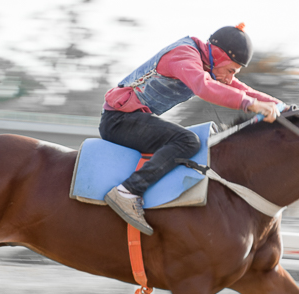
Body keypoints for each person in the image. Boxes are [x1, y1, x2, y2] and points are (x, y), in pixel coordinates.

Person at [101, 23, 283, 235]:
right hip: (118, 121)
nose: (229, 78)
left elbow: (242, 89)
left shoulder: (207, 63)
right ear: (218, 56)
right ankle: (127, 191)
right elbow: (204, 87)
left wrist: (283, 106)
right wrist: (250, 105)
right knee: (188, 141)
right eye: (230, 70)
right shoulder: (184, 55)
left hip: (132, 118)